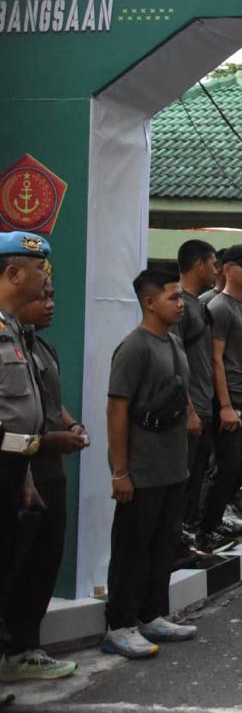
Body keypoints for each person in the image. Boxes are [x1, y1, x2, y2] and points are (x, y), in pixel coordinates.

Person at [100, 269, 198, 659]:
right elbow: (116, 409)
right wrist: (121, 471)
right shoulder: (134, 347)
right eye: (173, 298)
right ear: (150, 302)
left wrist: (190, 413)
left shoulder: (172, 342)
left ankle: (151, 613)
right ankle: (119, 624)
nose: (181, 304)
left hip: (173, 466)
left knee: (161, 546)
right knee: (132, 549)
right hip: (141, 469)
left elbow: (179, 388)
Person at [1, 273, 86, 682]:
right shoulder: (11, 341)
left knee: (42, 564)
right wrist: (50, 439)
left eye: (53, 295)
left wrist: (70, 424)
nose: (50, 302)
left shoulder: (38, 345)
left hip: (46, 469)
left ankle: (25, 650)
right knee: (16, 569)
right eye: (44, 296)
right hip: (22, 467)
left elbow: (49, 401)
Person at [0, 232, 51, 671]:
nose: (44, 277)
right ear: (14, 273)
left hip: (15, 465)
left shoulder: (15, 327)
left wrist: (27, 476)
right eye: (38, 269)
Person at [201, 246, 242, 552]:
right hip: (226, 402)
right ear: (226, 268)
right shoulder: (219, 307)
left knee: (234, 468)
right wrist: (226, 406)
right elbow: (216, 360)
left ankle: (213, 522)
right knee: (221, 468)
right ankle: (205, 526)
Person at [175, 240, 217, 548]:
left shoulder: (198, 305)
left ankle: (186, 536)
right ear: (199, 264)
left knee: (197, 474)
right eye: (213, 264)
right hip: (191, 408)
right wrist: (189, 409)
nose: (215, 270)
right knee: (184, 480)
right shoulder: (181, 307)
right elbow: (176, 364)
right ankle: (176, 541)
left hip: (205, 404)